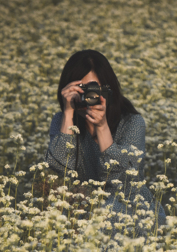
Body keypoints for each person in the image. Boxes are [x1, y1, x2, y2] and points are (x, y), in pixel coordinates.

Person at [46, 49, 166, 232]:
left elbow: (124, 181)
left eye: (93, 90)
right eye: (80, 90)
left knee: (107, 211)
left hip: (130, 209)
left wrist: (102, 128)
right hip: (82, 208)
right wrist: (68, 113)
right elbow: (57, 174)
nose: (87, 97)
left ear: (108, 91)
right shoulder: (61, 120)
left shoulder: (132, 123)